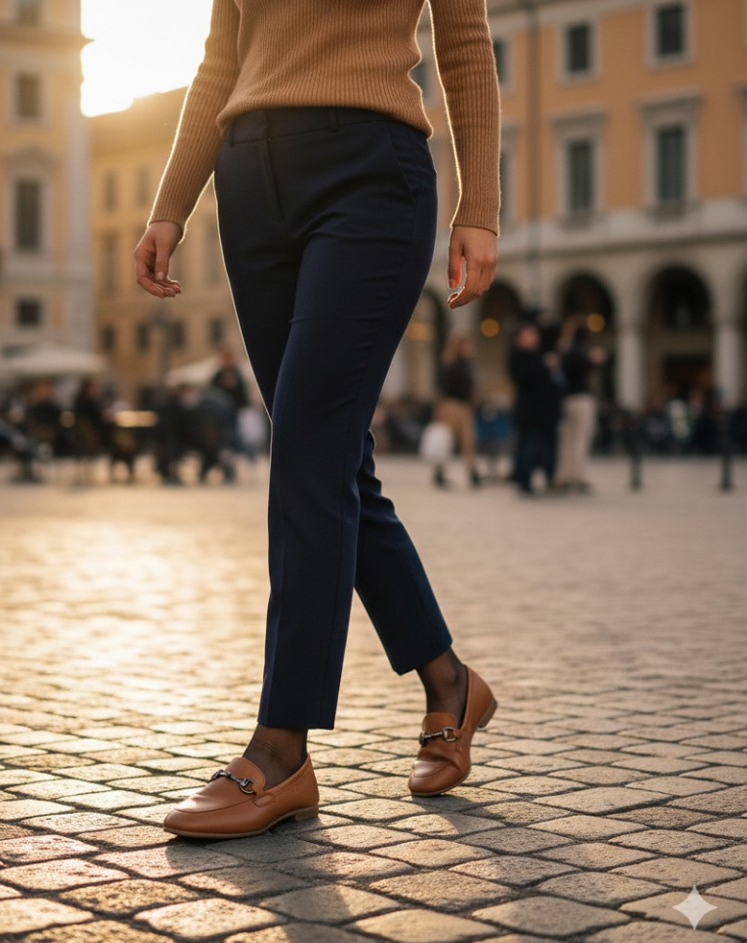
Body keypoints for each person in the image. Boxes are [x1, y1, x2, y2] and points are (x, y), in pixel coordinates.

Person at [134, 0, 501, 840]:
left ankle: (281, 751)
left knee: (305, 451)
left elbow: (466, 44)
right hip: (250, 181)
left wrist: (479, 205)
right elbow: (219, 61)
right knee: (330, 458)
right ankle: (450, 683)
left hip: (370, 175)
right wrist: (170, 203)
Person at [507, 324, 561, 495]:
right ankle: (523, 480)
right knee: (526, 446)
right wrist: (544, 366)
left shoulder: (540, 354)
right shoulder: (518, 355)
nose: (533, 338)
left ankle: (546, 477)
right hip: (528, 410)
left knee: (544, 447)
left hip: (545, 410)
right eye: (528, 335)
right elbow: (522, 378)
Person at [555, 322, 605, 492]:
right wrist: (594, 360)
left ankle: (563, 476)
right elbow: (588, 366)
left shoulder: (565, 351)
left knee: (566, 439)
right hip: (582, 399)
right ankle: (578, 476)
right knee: (580, 439)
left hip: (566, 399)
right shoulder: (582, 352)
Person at [434, 332, 481, 489]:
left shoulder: (467, 363)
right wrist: (440, 408)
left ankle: (473, 472)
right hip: (451, 405)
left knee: (468, 440)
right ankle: (439, 471)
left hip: (464, 406)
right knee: (447, 440)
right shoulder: (451, 363)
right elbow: (443, 388)